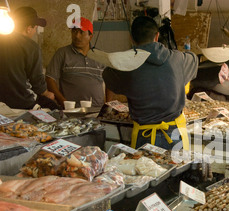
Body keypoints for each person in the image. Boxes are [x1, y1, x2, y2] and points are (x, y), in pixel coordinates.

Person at [102, 16, 198, 150]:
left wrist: (125, 58)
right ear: (157, 36)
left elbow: (107, 74)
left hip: (144, 138)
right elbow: (194, 58)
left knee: (146, 170)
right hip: (176, 136)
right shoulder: (177, 58)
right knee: (179, 170)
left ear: (131, 38)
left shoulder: (126, 66)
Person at [0, 6, 59, 110]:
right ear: (28, 28)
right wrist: (46, 93)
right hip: (22, 101)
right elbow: (37, 81)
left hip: (2, 100)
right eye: (35, 28)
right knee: (55, 110)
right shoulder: (31, 47)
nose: (35, 31)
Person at [46, 17, 106, 108]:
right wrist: (63, 101)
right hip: (71, 110)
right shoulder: (62, 53)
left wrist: (108, 104)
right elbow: (50, 79)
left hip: (97, 109)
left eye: (81, 32)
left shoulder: (100, 56)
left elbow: (111, 81)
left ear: (90, 36)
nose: (77, 36)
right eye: (74, 31)